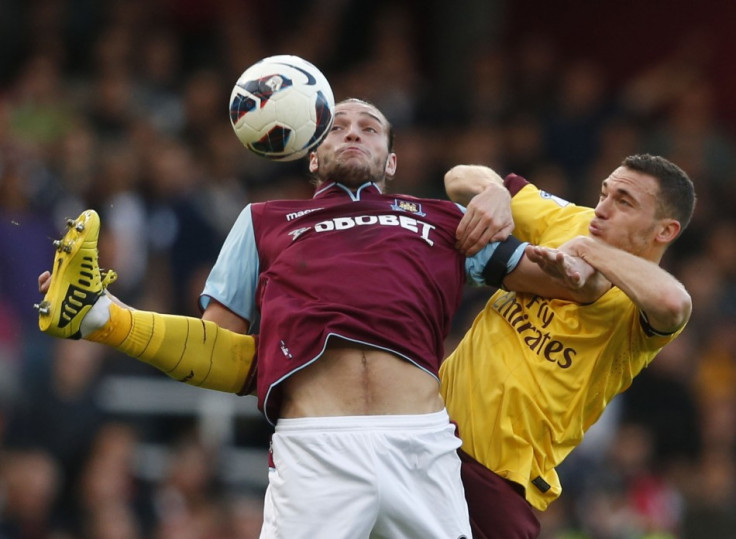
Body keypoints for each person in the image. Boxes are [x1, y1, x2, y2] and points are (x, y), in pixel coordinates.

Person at [36, 98, 603, 538]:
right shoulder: (265, 220)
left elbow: (576, 283)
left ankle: (98, 316)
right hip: (315, 448)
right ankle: (97, 315)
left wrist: (505, 198)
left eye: (370, 127)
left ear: (392, 160)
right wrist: (112, 322)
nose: (354, 132)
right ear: (310, 151)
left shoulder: (443, 220)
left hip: (422, 446)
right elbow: (225, 353)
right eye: (337, 126)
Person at [439, 154, 696, 538]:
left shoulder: (641, 301)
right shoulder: (571, 219)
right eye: (604, 193)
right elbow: (458, 175)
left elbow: (675, 304)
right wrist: (494, 192)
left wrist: (587, 252)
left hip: (496, 475)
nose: (602, 210)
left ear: (665, 231)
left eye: (624, 202)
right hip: (427, 431)